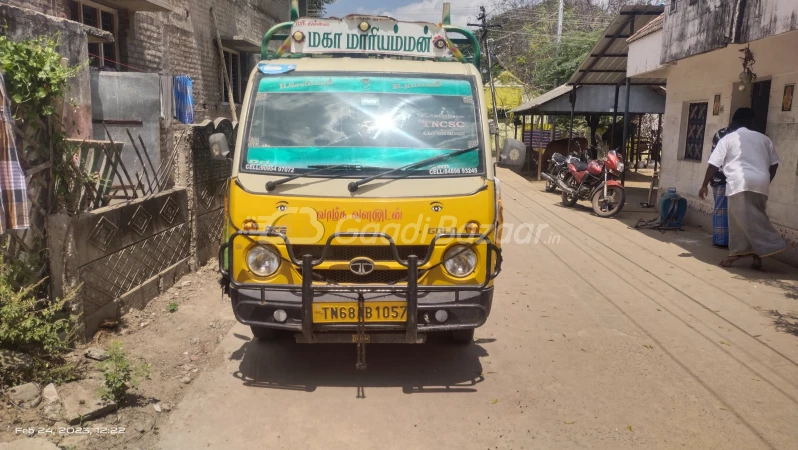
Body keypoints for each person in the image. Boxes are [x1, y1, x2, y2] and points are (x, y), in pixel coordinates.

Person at [698, 108, 786, 269]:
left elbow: (713, 164)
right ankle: (757, 256)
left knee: (738, 223)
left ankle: (768, 244)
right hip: (761, 183)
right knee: (753, 217)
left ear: (733, 124)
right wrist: (767, 180)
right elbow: (774, 164)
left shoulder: (728, 138)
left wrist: (704, 184)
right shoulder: (764, 139)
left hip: (739, 183)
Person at [708, 125, 732, 248]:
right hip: (722, 179)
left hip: (722, 178)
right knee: (722, 211)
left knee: (721, 211)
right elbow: (714, 161)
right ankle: (721, 241)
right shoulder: (723, 135)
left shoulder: (721, 133)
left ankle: (721, 240)